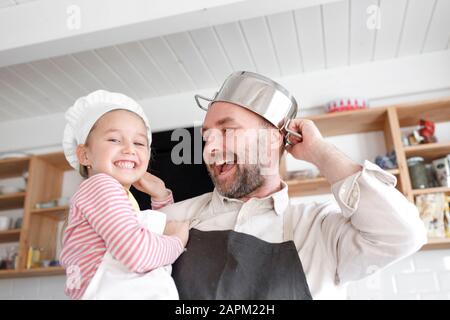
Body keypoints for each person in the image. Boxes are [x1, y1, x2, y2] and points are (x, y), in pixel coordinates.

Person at [150, 71, 427, 299]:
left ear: (272, 139)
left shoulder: (320, 229)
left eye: (226, 130)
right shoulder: (171, 220)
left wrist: (319, 151)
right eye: (206, 136)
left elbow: (403, 234)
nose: (209, 147)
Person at [60, 90, 189, 300]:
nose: (129, 149)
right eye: (114, 139)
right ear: (84, 155)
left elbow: (148, 238)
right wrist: (177, 240)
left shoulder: (110, 195)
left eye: (139, 143)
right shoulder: (101, 186)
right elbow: (137, 253)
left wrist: (160, 195)